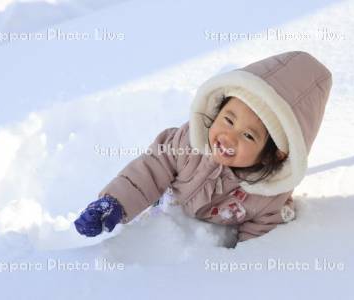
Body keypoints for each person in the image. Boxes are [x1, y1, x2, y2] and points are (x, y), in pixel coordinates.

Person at [74, 51, 332, 243]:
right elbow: (151, 169)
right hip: (168, 207)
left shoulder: (268, 196)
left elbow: (260, 235)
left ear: (272, 156)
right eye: (228, 120)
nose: (229, 137)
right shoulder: (188, 144)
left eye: (248, 136)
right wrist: (115, 203)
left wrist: (241, 267)